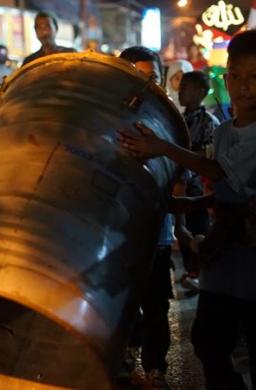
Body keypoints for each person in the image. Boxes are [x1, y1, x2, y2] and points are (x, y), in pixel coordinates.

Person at [118, 30, 256, 389]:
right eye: (237, 76)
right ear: (226, 79)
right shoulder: (226, 131)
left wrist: (161, 147)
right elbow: (227, 189)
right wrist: (193, 204)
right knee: (209, 342)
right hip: (223, 256)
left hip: (248, 253)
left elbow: (218, 172)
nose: (244, 86)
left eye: (255, 77)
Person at [119, 45, 180, 390]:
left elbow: (177, 180)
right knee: (122, 307)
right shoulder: (102, 121)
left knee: (156, 306)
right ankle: (122, 359)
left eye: (153, 79)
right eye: (138, 79)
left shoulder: (170, 125)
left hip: (156, 234)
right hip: (117, 236)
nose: (148, 88)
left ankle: (156, 368)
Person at [177, 71, 220, 290]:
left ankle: (197, 271)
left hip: (197, 189)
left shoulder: (208, 121)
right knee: (182, 228)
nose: (180, 90)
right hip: (178, 185)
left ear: (201, 92)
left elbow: (210, 155)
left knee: (198, 227)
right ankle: (190, 270)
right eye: (180, 85)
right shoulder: (178, 119)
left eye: (187, 86)